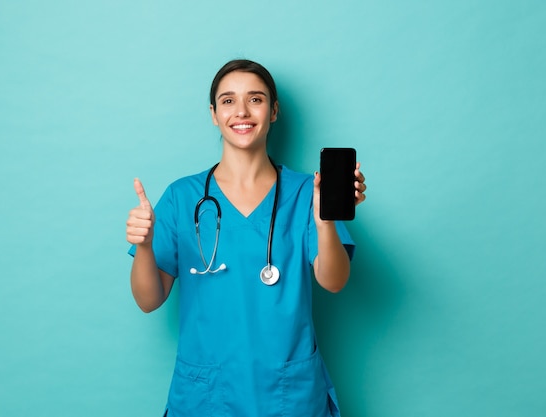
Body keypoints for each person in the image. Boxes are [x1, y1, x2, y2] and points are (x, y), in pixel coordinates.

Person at [126, 59, 367, 417]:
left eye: (255, 99)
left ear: (273, 112)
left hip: (287, 394)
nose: (241, 111)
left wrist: (325, 221)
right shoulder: (182, 196)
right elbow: (148, 301)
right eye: (227, 101)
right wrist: (145, 246)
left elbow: (333, 281)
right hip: (207, 394)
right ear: (213, 114)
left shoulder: (305, 193)